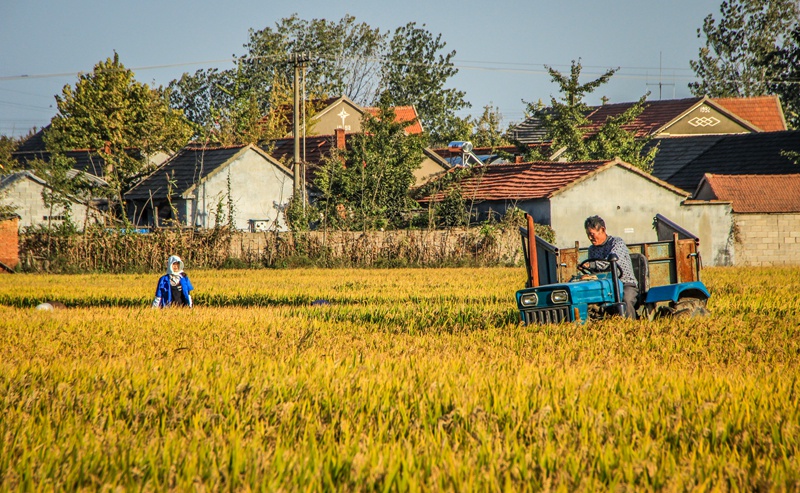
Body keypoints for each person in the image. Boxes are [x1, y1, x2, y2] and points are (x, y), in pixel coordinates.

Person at [581, 216, 638, 319]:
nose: (590, 238)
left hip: (624, 283)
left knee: (625, 300)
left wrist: (592, 265)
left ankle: (631, 326)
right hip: (604, 286)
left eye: (592, 234)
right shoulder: (592, 249)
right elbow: (592, 271)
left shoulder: (616, 243)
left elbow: (610, 262)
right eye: (588, 235)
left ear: (602, 230)